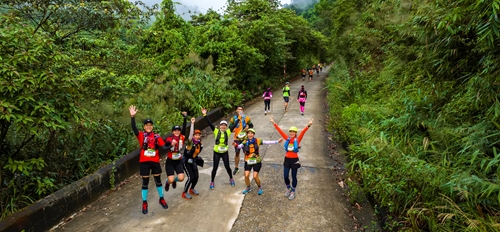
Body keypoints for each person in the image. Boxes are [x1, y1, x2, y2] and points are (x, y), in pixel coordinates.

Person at [128, 105, 169, 214]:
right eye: (147, 125)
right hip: (144, 162)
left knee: (158, 181)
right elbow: (134, 128)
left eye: (150, 125)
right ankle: (144, 202)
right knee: (145, 182)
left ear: (152, 126)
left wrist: (171, 144)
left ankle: (161, 198)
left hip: (155, 161)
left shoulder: (157, 136)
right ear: (144, 126)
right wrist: (132, 117)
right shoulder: (141, 135)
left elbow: (164, 147)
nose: (149, 126)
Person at [269, 116, 314, 200]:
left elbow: (303, 132)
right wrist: (273, 122)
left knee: (294, 176)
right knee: (285, 176)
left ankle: (293, 191)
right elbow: (280, 132)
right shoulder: (287, 139)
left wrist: (309, 125)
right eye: (291, 132)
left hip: (294, 160)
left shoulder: (298, 139)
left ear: (296, 133)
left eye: (293, 132)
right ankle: (288, 187)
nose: (292, 133)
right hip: (287, 160)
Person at [233, 129, 283, 195]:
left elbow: (266, 142)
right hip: (248, 161)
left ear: (254, 134)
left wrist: (277, 141)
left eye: (251, 133)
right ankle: (248, 187)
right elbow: (239, 146)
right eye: (249, 133)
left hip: (257, 161)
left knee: (255, 176)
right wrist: (235, 145)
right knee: (246, 175)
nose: (250, 134)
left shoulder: (258, 140)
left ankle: (259, 187)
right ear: (247, 134)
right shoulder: (245, 141)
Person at [202, 108, 239, 189]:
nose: (223, 126)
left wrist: (239, 118)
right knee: (215, 167)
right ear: (220, 126)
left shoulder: (228, 132)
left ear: (226, 126)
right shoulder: (216, 131)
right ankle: (212, 181)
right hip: (217, 153)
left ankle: (231, 178)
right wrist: (205, 115)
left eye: (225, 125)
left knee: (227, 167)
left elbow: (234, 125)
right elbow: (209, 123)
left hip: (225, 152)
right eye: (222, 125)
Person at [164, 112, 187, 192]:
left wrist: (185, 118)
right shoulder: (170, 138)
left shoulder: (182, 137)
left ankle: (174, 181)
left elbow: (184, 129)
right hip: (170, 162)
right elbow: (166, 144)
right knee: (170, 179)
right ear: (172, 132)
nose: (177, 132)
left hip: (178, 161)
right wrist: (171, 143)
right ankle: (168, 182)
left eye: (178, 131)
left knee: (181, 178)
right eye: (175, 131)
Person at [181, 117, 203, 199]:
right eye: (196, 135)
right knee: (190, 177)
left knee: (196, 177)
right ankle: (184, 192)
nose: (197, 136)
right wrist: (192, 123)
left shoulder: (199, 144)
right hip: (186, 161)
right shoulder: (190, 142)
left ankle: (192, 189)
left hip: (193, 161)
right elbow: (190, 134)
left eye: (198, 135)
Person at [229, 106, 253, 175]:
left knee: (246, 152)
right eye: (238, 109)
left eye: (241, 109)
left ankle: (247, 167)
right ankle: (236, 168)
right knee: (237, 153)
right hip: (237, 139)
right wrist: (232, 130)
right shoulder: (233, 119)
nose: (240, 110)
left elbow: (251, 125)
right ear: (236, 110)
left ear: (243, 111)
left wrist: (248, 127)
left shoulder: (246, 118)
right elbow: (230, 127)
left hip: (245, 138)